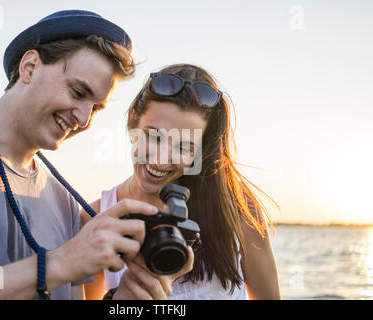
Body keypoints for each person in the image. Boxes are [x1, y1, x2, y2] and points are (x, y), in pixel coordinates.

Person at [0, 10, 192, 300]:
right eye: (77, 92)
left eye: (96, 108)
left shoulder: (64, 201)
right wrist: (58, 264)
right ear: (29, 67)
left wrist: (122, 299)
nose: (84, 118)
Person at [82, 64, 281, 300]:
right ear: (134, 119)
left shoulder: (237, 209)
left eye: (184, 146)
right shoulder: (94, 217)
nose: (160, 159)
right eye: (154, 137)